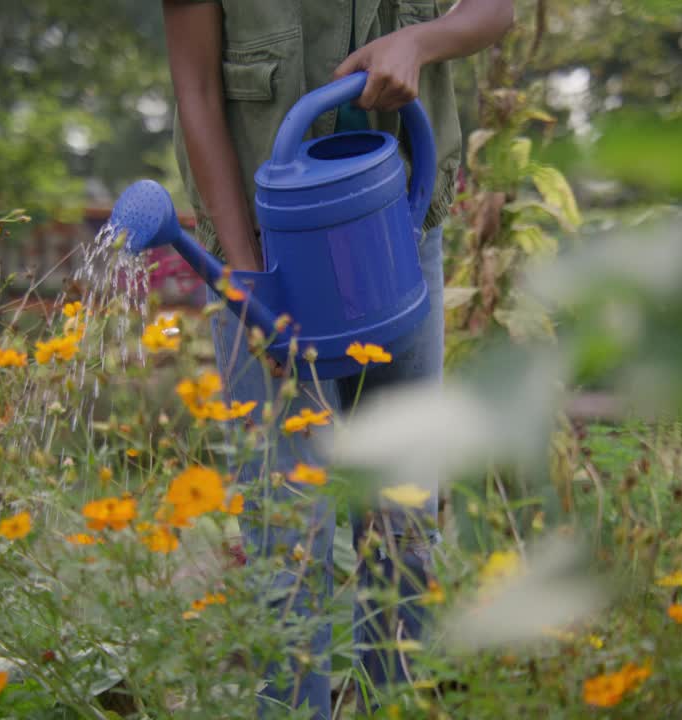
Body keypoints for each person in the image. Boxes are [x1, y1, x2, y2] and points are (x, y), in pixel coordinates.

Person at [161, 1, 514, 717]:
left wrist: (421, 38)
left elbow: (495, 9)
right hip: (263, 255)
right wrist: (252, 285)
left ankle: (392, 706)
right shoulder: (257, 271)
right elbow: (195, 88)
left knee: (403, 527)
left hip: (401, 232)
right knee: (288, 546)